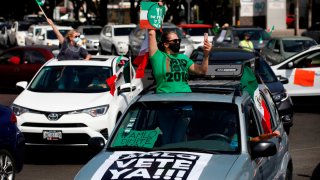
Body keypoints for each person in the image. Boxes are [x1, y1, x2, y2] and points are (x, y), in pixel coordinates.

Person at [148, 13, 212, 92]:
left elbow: (202, 71)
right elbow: (151, 34)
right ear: (166, 44)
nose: (178, 43)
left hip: (185, 98)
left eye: (179, 40)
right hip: (165, 100)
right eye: (175, 41)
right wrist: (155, 9)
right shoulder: (157, 56)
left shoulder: (184, 58)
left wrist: (206, 55)